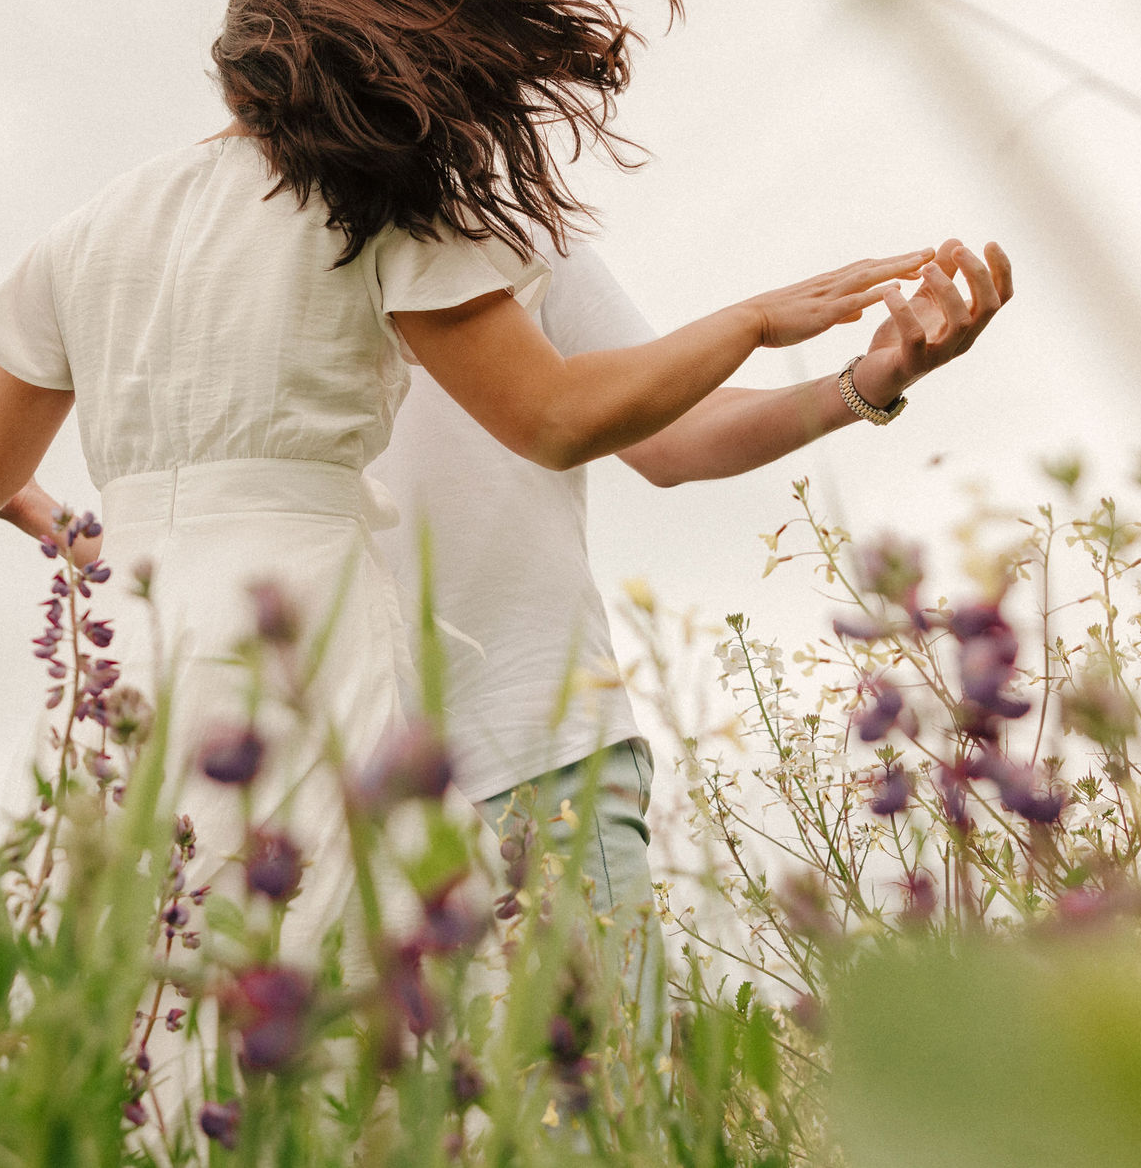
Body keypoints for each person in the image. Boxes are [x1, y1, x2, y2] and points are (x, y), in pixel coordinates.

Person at [0, 0, 995, 1113]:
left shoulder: (105, 236)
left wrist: (855, 385)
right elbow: (550, 418)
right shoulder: (369, 217)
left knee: (232, 1077)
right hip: (341, 703)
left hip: (278, 710)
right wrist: (754, 318)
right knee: (526, 1107)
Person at [367, 234, 1009, 1050]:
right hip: (309, 777)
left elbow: (672, 431)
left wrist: (866, 382)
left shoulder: (501, 216)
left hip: (529, 746)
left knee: (602, 1117)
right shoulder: (206, 225)